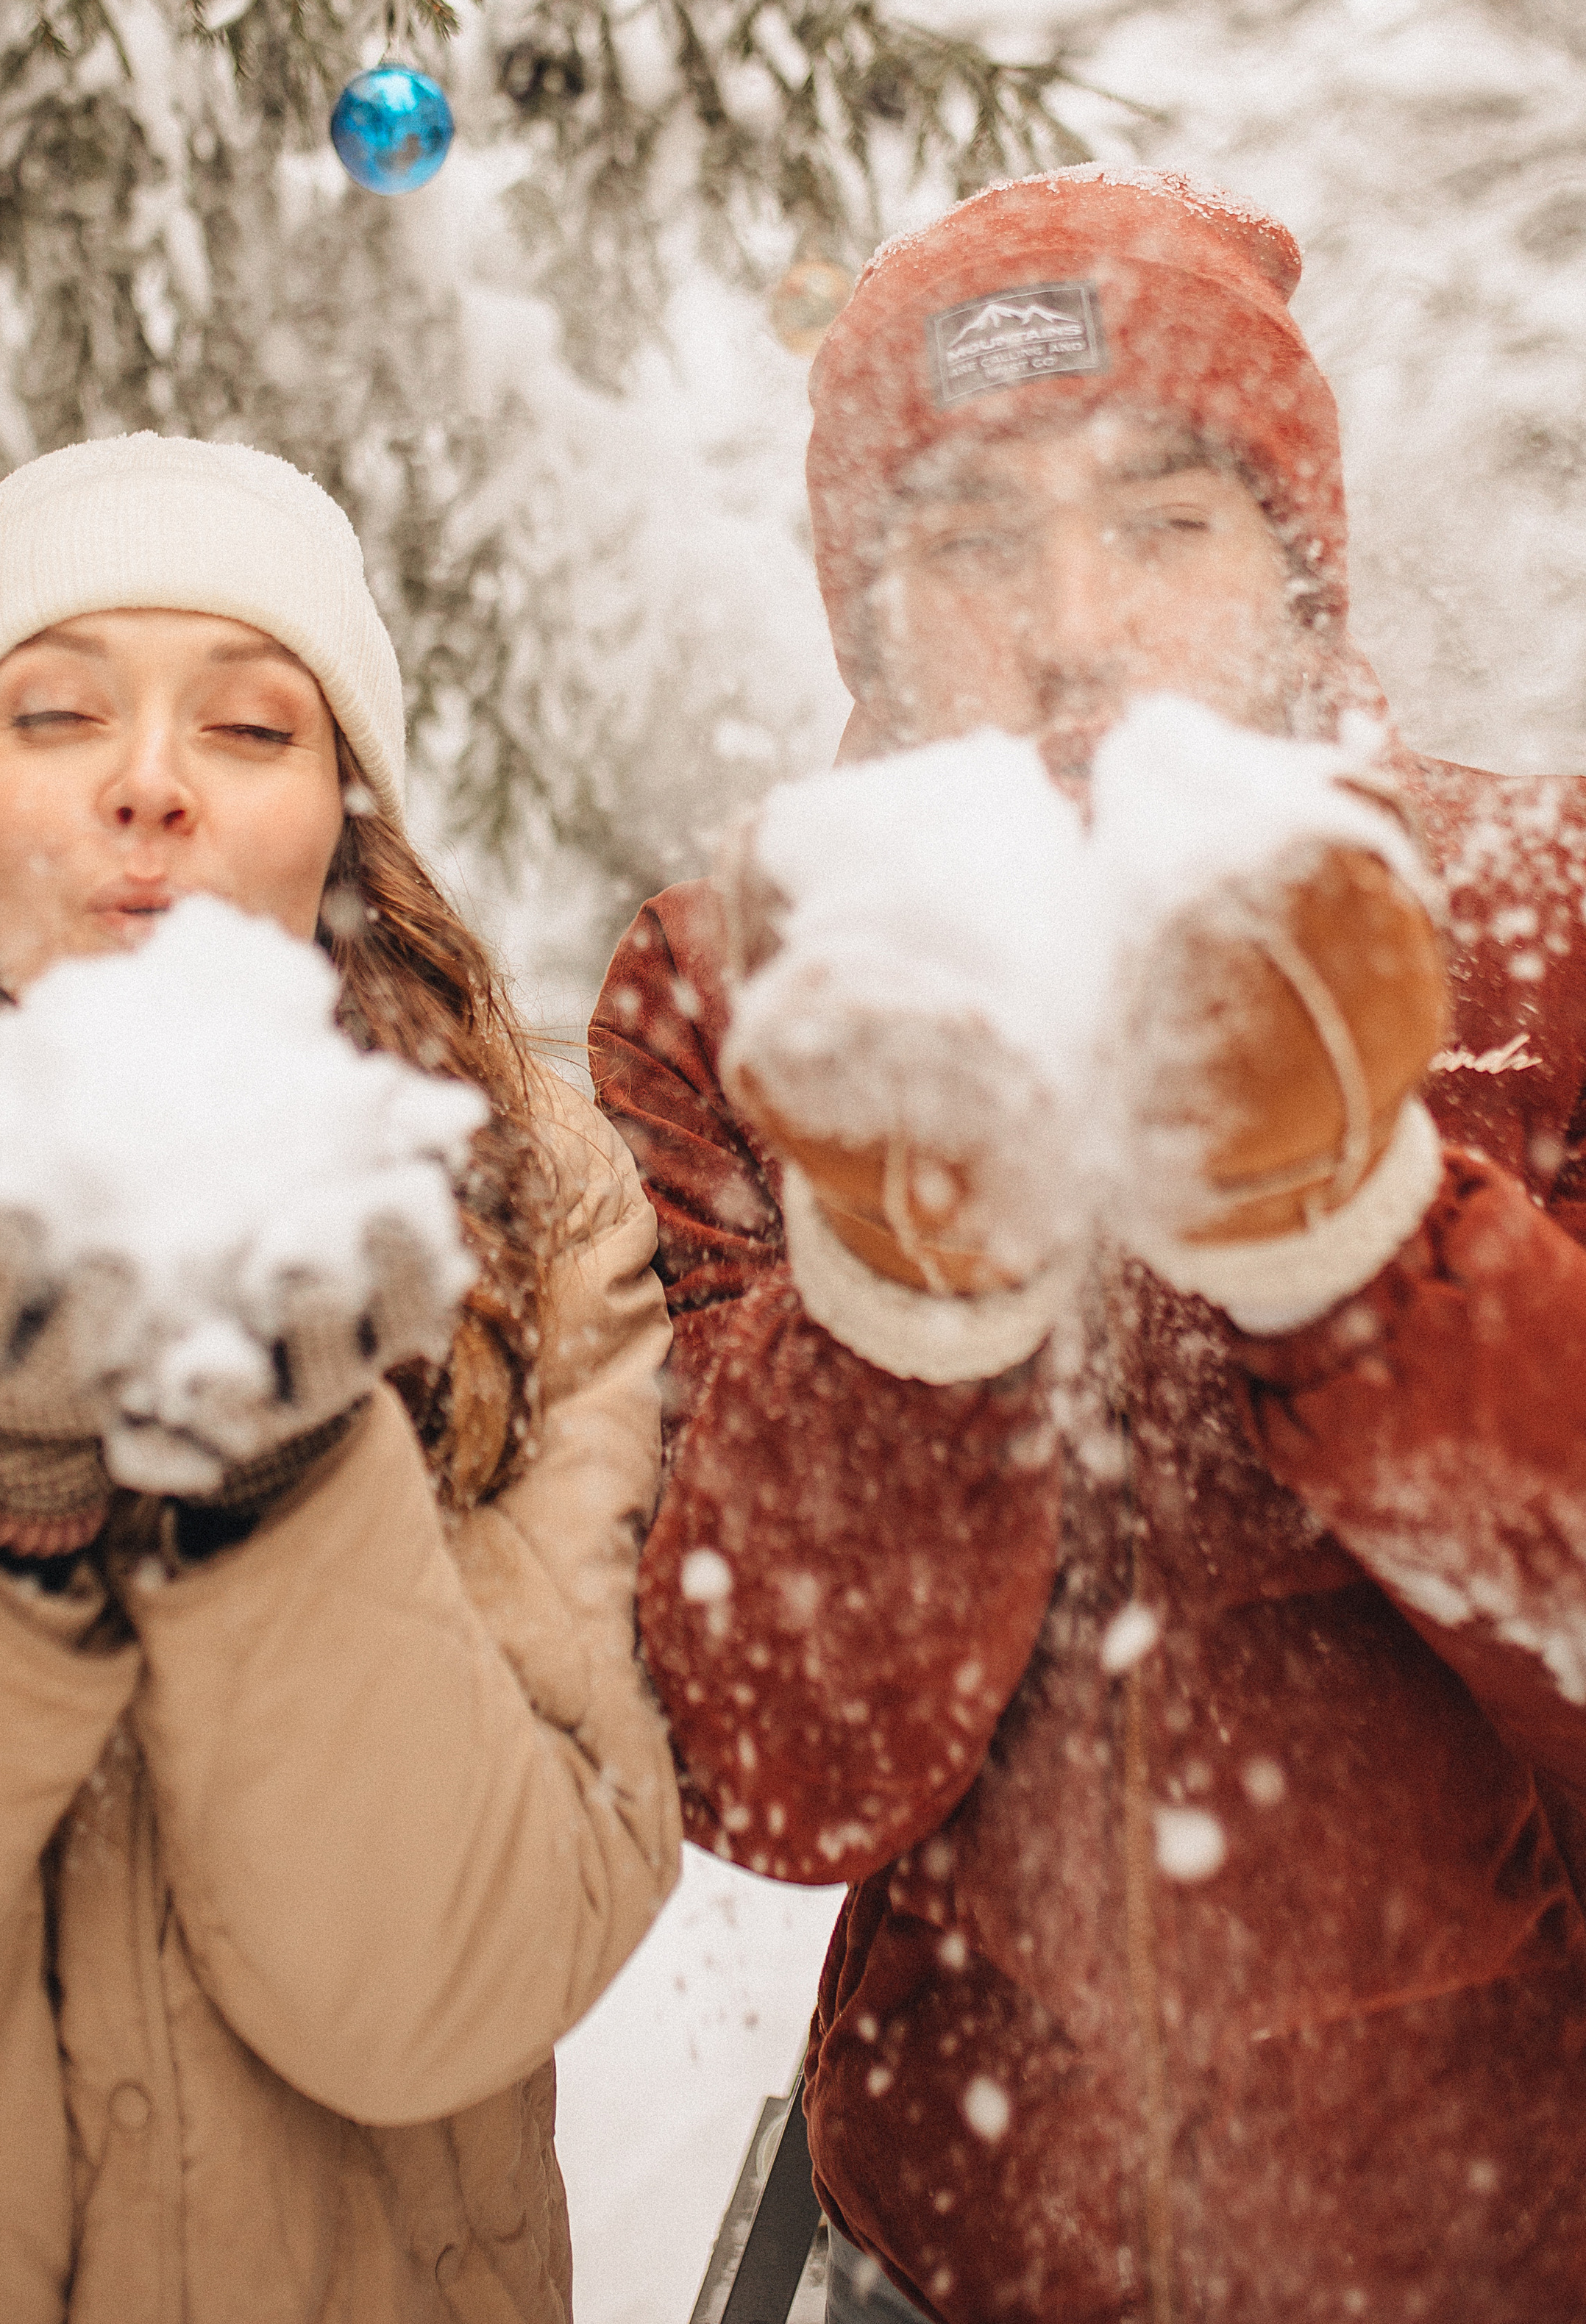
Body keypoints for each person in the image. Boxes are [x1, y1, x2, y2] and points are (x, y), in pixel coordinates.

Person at [591, 169, 1586, 2323]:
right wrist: (903, 1300)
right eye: (968, 539)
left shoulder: (1538, 927)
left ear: (1295, 567)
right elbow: (770, 1774)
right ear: (865, 613)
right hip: (952, 2248)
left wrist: (1363, 1242)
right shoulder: (739, 994)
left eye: (1160, 519)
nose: (1070, 621)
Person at [0, 431, 680, 2324]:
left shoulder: (524, 1203)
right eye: (57, 713)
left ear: (345, 821)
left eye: (247, 729)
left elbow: (456, 1986)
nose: (148, 783)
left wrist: (280, 1490)